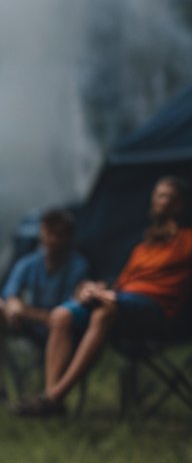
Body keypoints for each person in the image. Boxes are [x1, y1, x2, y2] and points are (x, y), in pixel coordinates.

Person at [14, 176, 192, 416]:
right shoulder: (144, 247)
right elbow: (121, 285)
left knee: (103, 310)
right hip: (122, 301)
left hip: (156, 309)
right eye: (156, 195)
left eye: (165, 196)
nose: (157, 201)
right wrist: (94, 288)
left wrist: (108, 297)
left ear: (180, 205)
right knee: (62, 314)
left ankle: (53, 397)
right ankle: (51, 398)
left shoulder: (188, 241)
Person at [0, 209, 89, 402]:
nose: (51, 240)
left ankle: (49, 398)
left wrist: (25, 311)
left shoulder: (79, 267)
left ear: (68, 238)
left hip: (61, 330)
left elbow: (63, 315)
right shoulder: (29, 262)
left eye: (58, 235)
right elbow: (10, 293)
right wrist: (13, 305)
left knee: (60, 319)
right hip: (31, 325)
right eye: (47, 233)